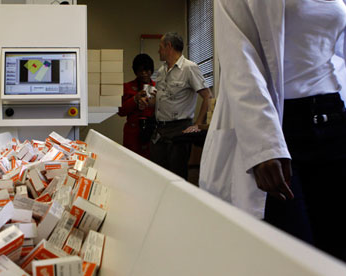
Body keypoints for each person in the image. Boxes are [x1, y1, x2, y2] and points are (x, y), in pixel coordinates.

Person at [199, 0, 346, 261]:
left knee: (336, 246)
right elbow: (239, 59)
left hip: (334, 118)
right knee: (295, 252)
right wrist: (264, 146)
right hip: (280, 127)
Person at [148, 32, 212, 179]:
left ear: (168, 46)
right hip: (160, 129)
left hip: (179, 128)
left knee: (176, 175)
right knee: (157, 174)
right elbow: (160, 99)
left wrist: (197, 124)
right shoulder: (161, 70)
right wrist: (148, 101)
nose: (158, 51)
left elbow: (208, 96)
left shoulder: (189, 68)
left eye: (160, 47)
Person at [118, 54, 156, 159]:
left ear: (151, 70)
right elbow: (120, 111)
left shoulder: (158, 87)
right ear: (136, 72)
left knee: (152, 165)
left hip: (152, 132)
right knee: (131, 163)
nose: (144, 74)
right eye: (140, 71)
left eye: (147, 70)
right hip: (133, 134)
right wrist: (135, 99)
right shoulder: (128, 87)